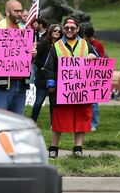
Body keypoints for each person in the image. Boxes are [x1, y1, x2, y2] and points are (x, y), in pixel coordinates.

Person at [44, 18, 99, 158]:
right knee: (59, 120)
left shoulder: (86, 45)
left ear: (78, 29)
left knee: (81, 119)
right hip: (62, 91)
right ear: (63, 28)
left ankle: (78, 148)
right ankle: (53, 148)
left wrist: (94, 57)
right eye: (67, 28)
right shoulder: (56, 46)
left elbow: (100, 63)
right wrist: (51, 82)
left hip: (82, 90)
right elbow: (49, 67)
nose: (69, 30)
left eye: (72, 28)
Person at [0, 0, 35, 114]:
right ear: (7, 12)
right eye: (16, 11)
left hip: (21, 83)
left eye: (21, 10)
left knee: (16, 121)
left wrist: (32, 54)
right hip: (2, 85)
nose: (20, 13)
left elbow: (25, 57)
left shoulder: (23, 30)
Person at [32, 24, 62, 124]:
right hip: (42, 78)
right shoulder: (43, 43)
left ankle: (53, 123)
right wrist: (42, 67)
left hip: (55, 77)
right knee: (39, 101)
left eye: (59, 31)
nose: (57, 32)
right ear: (50, 32)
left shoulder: (61, 45)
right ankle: (33, 121)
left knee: (54, 103)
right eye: (55, 31)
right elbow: (36, 59)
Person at [84, 26, 105, 131]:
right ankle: (85, 122)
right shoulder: (82, 43)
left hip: (94, 75)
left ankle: (94, 124)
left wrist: (95, 58)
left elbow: (102, 59)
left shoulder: (98, 45)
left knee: (94, 102)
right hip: (83, 75)